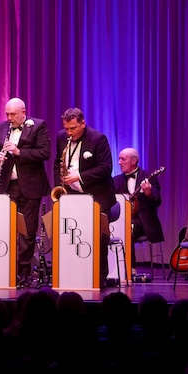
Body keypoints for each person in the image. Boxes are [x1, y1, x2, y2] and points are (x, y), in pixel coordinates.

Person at [0, 97, 51, 287]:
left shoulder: (38, 125)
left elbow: (44, 153)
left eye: (13, 114)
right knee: (6, 229)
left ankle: (23, 273)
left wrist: (18, 152)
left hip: (30, 186)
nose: (9, 118)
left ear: (23, 112)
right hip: (7, 185)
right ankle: (6, 270)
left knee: (27, 231)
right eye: (7, 114)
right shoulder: (1, 127)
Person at [53, 107, 116, 285]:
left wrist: (79, 176)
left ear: (83, 123)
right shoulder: (61, 137)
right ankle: (74, 274)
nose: (69, 132)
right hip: (71, 195)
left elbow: (106, 168)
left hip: (98, 196)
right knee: (72, 235)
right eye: (66, 128)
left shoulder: (98, 139)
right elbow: (57, 163)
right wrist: (59, 186)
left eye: (73, 128)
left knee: (99, 238)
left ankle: (99, 277)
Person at [113, 148, 165, 268]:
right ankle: (113, 269)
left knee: (127, 230)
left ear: (134, 160)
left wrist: (149, 193)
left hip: (144, 222)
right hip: (122, 220)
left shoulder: (149, 177)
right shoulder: (116, 180)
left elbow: (158, 201)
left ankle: (130, 268)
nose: (119, 162)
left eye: (123, 159)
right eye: (119, 159)